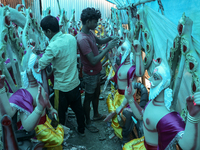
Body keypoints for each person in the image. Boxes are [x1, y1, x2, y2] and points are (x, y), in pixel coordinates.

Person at [0, 52, 64, 149]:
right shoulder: (24, 94)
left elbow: (45, 98)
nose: (39, 69)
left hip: (46, 122)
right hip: (38, 129)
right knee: (58, 140)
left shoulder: (39, 84)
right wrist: (1, 90)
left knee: (59, 132)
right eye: (35, 66)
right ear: (28, 70)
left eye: (39, 64)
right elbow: (22, 123)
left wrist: (51, 109)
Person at [38, 15, 85, 136]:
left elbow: (41, 64)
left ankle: (60, 135)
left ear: (48, 31)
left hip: (62, 87)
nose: (45, 34)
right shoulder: (71, 38)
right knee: (78, 109)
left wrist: (37, 56)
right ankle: (81, 130)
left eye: (44, 32)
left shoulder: (52, 46)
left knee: (59, 112)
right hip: (75, 83)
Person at [76, 7, 119, 133]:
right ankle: (87, 122)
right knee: (88, 97)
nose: (97, 24)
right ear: (88, 21)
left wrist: (110, 38)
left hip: (95, 72)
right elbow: (93, 60)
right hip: (90, 73)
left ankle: (95, 114)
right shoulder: (82, 39)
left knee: (96, 94)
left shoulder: (89, 32)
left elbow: (99, 41)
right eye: (95, 22)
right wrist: (108, 48)